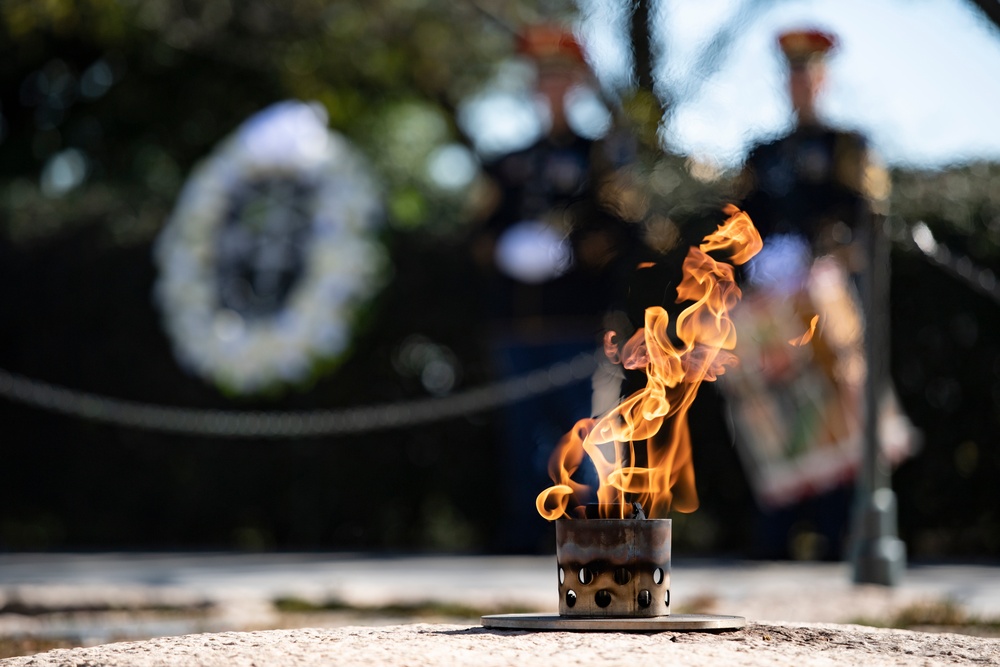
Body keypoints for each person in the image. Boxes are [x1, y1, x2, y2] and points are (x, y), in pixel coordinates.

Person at [725, 28, 911, 560]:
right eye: (792, 73)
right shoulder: (764, 154)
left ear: (823, 78)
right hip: (772, 307)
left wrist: (820, 253)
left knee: (839, 416)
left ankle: (839, 535)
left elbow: (867, 217)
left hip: (827, 301)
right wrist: (756, 259)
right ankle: (776, 534)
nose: (799, 82)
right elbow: (740, 222)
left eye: (808, 72)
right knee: (777, 414)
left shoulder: (847, 146)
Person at [469, 25, 642, 552]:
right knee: (522, 436)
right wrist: (503, 249)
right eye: (542, 78)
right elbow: (478, 234)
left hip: (578, 324)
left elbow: (626, 229)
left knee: (585, 434)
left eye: (560, 77)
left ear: (575, 85)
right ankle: (524, 538)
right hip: (518, 324)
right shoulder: (506, 163)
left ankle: (592, 538)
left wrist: (574, 249)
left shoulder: (600, 158)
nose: (550, 88)